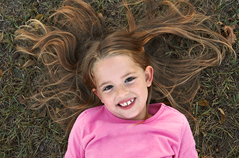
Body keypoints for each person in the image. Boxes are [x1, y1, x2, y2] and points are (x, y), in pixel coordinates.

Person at [15, 0, 233, 157]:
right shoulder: (87, 125)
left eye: (129, 79)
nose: (121, 93)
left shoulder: (174, 124)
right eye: (108, 87)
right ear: (98, 94)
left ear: (147, 76)